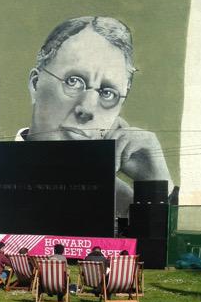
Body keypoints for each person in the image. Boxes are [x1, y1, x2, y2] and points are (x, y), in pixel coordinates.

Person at [17, 16, 172, 215]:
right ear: (35, 84)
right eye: (73, 81)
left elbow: (166, 242)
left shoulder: (125, 203)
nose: (88, 109)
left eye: (107, 93)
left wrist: (158, 186)